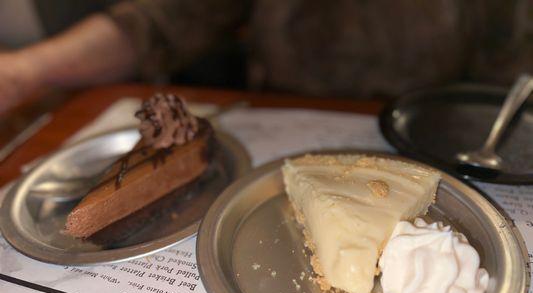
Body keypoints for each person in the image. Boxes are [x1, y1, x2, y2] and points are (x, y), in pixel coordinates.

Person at [0, 0, 531, 115]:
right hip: (277, 133)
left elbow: (513, 87)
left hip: (433, 134)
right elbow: (159, 24)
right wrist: (25, 71)